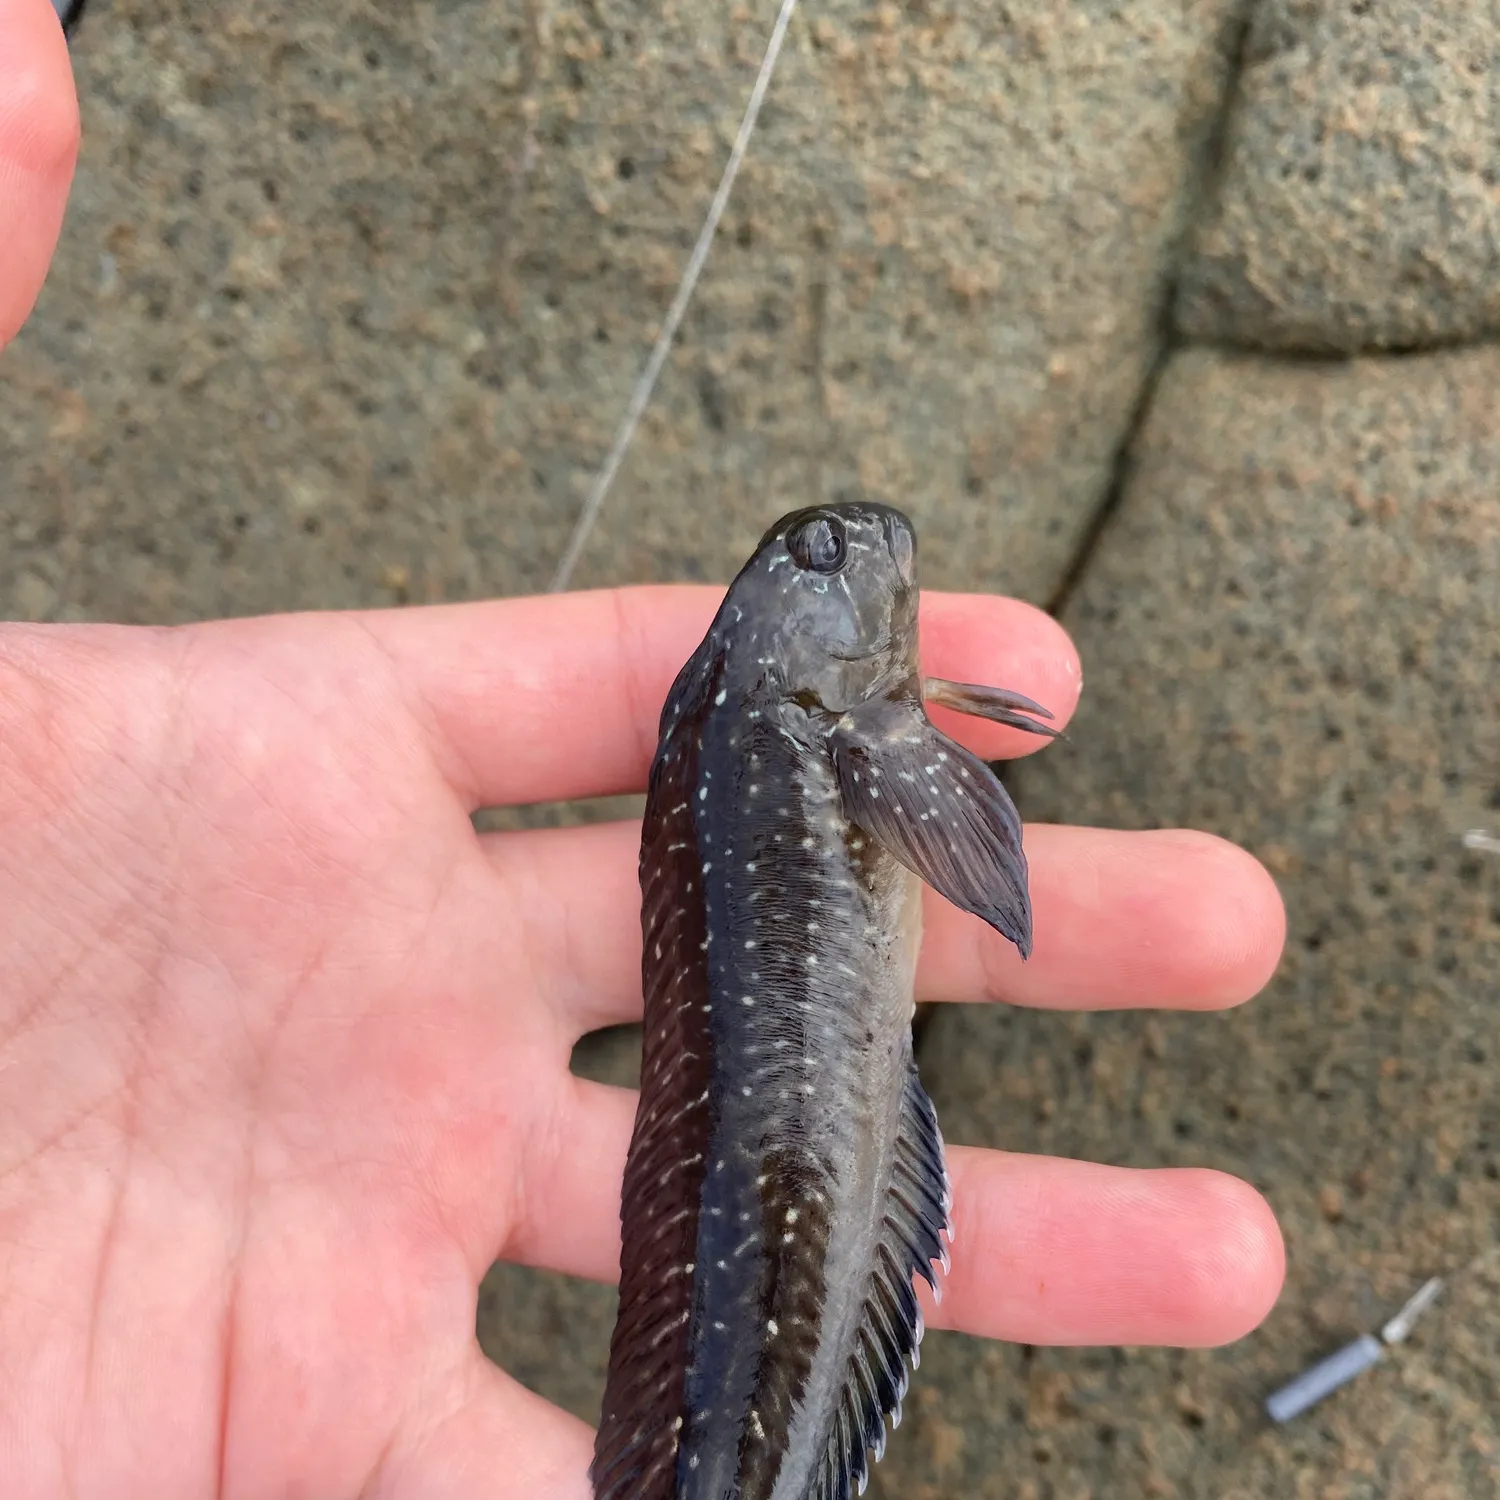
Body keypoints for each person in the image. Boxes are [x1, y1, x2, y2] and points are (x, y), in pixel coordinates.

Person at [0, 5, 1287, 1495]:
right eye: (824, 558)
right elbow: (980, 875)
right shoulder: (839, 737)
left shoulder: (812, 727)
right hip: (804, 1065)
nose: (856, 548)